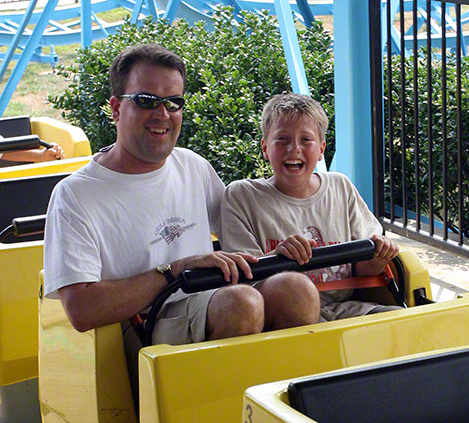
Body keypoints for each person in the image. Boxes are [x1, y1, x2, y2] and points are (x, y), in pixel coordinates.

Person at [43, 45, 319, 357]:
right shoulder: (76, 195)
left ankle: (288, 397)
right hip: (142, 326)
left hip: (211, 300)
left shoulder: (192, 166)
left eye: (173, 103)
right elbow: (81, 311)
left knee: (296, 290)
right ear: (117, 109)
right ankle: (223, 404)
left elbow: (241, 223)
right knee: (241, 305)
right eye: (147, 101)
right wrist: (172, 271)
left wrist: (276, 249)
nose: (162, 114)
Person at [220, 92, 401, 321]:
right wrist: (276, 257)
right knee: (296, 293)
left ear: (321, 149)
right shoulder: (242, 196)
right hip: (280, 316)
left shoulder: (340, 187)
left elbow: (363, 269)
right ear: (265, 148)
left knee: (407, 322)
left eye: (306, 140)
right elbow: (244, 281)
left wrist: (378, 257)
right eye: (282, 139)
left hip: (345, 307)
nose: (294, 148)